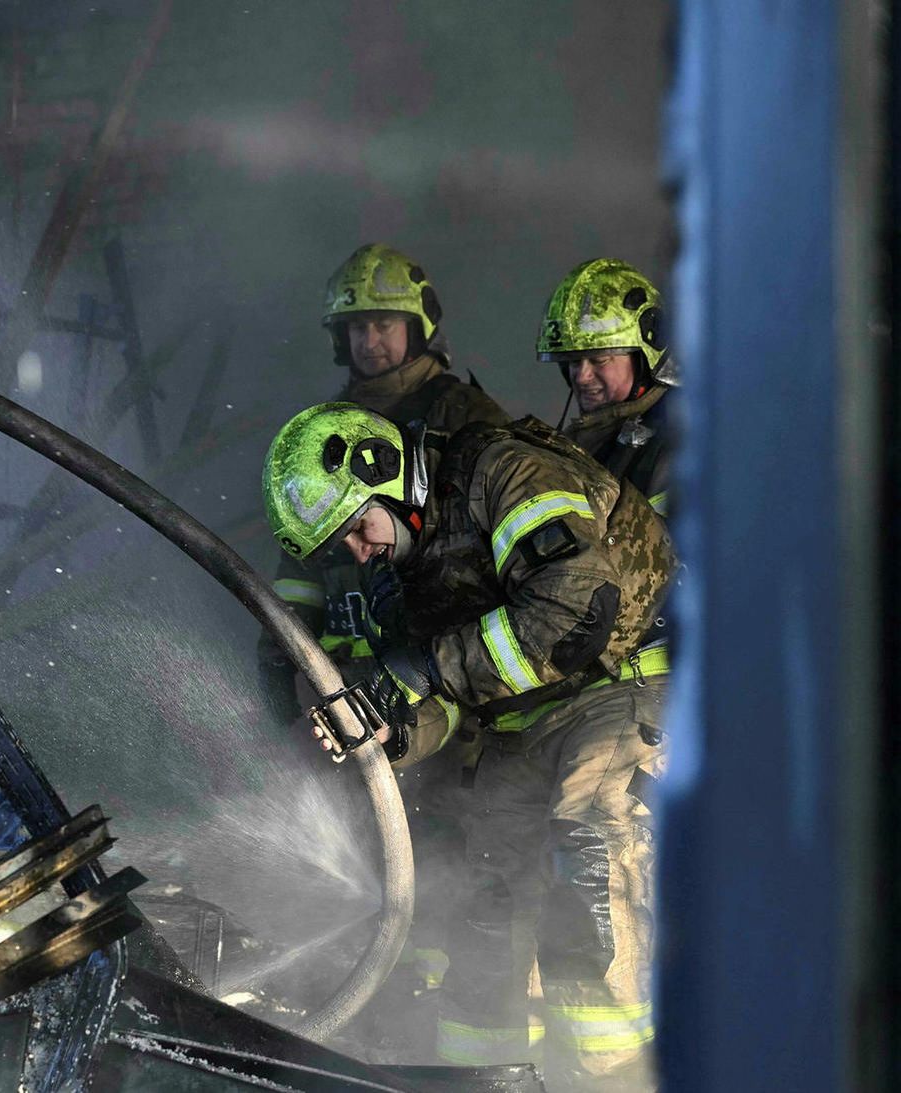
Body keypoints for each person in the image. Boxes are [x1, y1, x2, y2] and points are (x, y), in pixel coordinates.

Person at [262, 402, 674, 1091]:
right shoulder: (401, 578)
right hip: (517, 731)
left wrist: (424, 670)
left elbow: (578, 609)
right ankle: (487, 1079)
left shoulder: (499, 470)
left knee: (585, 879)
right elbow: (451, 700)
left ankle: (622, 1078)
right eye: (343, 547)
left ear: (383, 470)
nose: (360, 552)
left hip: (616, 691)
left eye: (358, 527)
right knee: (485, 913)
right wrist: (387, 727)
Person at [259, 244, 509, 1047]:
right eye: (358, 326)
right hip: (366, 661)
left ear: (420, 325)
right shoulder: (328, 428)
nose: (372, 340)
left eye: (386, 324)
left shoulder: (462, 419)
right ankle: (378, 1001)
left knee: (450, 837)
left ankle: (432, 1010)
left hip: (443, 666)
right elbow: (300, 557)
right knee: (371, 831)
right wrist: (284, 655)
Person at [538, 258, 678, 518]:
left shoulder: (680, 444)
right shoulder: (587, 443)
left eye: (599, 360)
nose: (582, 376)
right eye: (573, 362)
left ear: (646, 355)